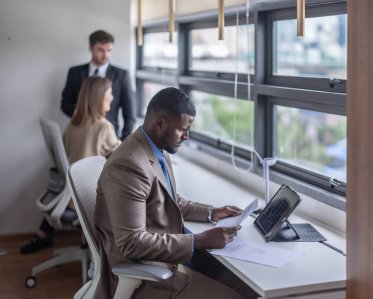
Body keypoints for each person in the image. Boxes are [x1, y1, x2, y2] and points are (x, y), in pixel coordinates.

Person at [94, 87, 245, 299]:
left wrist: (212, 212)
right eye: (182, 129)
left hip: (169, 257)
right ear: (160, 124)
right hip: (147, 273)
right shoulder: (128, 165)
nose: (187, 136)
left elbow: (170, 202)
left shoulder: (157, 149)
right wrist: (198, 241)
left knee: (246, 286)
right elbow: (132, 242)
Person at [21, 77, 121, 254]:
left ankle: (43, 234)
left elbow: (65, 151)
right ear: (99, 97)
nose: (112, 97)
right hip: (88, 199)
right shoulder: (104, 128)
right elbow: (122, 158)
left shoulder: (74, 123)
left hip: (68, 194)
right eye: (109, 93)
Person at [61, 29, 135, 141]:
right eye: (100, 50)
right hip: (80, 136)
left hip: (110, 138)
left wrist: (123, 143)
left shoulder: (122, 76)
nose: (106, 55)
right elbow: (65, 104)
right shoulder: (74, 72)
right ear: (90, 48)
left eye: (109, 50)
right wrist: (82, 115)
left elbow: (130, 115)